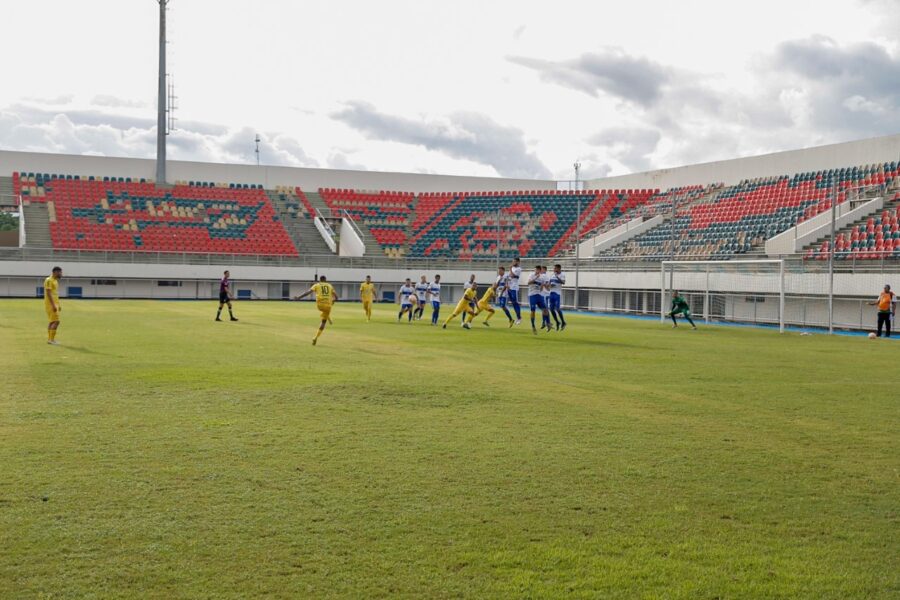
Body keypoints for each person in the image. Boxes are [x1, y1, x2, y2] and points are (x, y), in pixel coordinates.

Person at [294, 275, 339, 345]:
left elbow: (307, 292)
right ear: (325, 280)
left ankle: (327, 317)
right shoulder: (330, 286)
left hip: (319, 305)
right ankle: (315, 337)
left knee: (324, 311)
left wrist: (299, 297)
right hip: (328, 306)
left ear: (320, 280)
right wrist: (333, 300)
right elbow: (336, 297)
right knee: (323, 321)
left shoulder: (317, 285)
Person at [526, 265, 550, 335]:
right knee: (533, 311)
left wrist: (545, 286)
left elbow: (544, 288)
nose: (535, 271)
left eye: (537, 270)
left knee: (545, 310)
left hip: (539, 295)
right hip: (532, 295)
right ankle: (533, 326)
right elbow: (528, 283)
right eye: (535, 270)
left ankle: (548, 323)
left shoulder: (542, 277)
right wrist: (536, 278)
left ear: (540, 270)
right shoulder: (531, 275)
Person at [44, 266, 63, 345]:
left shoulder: (55, 281)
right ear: (55, 272)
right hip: (51, 304)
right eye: (60, 272)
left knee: (52, 321)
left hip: (55, 304)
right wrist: (53, 305)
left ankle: (50, 339)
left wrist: (58, 304)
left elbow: (55, 294)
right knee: (56, 321)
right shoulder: (49, 280)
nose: (61, 274)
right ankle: (51, 340)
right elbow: (48, 293)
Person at [548, 264, 567, 331]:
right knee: (551, 309)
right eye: (554, 268)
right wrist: (550, 285)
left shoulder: (562, 275)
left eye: (555, 268)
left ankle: (563, 322)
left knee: (557, 309)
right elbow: (549, 284)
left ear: (559, 269)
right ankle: (557, 322)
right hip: (551, 293)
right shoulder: (552, 275)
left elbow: (563, 282)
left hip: (557, 294)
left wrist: (557, 277)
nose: (554, 270)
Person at [507, 257, 523, 325]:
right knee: (513, 303)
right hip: (509, 287)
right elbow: (509, 277)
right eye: (513, 261)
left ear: (518, 262)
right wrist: (507, 285)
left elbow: (513, 276)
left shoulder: (519, 269)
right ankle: (518, 316)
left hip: (514, 287)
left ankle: (519, 318)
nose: (513, 262)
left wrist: (510, 269)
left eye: (514, 261)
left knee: (515, 302)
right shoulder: (512, 268)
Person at [540, 266, 553, 331]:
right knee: (544, 310)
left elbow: (548, 287)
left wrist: (543, 284)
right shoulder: (544, 276)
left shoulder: (545, 276)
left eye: (542, 269)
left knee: (545, 310)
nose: (541, 270)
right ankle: (546, 323)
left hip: (545, 294)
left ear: (545, 270)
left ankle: (546, 323)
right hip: (543, 294)